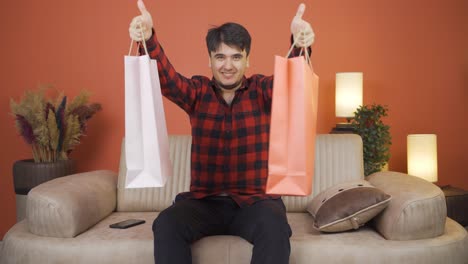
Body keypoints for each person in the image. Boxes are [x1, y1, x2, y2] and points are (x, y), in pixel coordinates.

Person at [128, 1, 315, 263]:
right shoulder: (197, 92)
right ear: (210, 60)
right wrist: (148, 38)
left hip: (255, 203)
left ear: (247, 59)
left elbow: (291, 79)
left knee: (275, 227)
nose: (228, 65)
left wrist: (299, 42)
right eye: (220, 56)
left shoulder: (262, 90)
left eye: (236, 56)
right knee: (166, 223)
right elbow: (167, 80)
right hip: (206, 203)